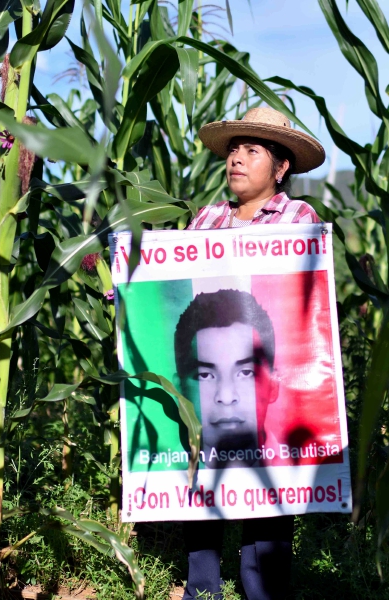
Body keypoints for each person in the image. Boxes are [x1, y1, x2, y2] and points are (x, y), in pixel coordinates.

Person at [182, 107, 325, 600]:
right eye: (234, 150)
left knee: (268, 478)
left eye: (253, 150)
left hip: (262, 366)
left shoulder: (299, 218)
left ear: (281, 167)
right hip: (216, 363)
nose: (237, 159)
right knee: (205, 472)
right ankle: (201, 587)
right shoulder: (205, 218)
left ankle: (261, 587)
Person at [175, 289, 279, 468]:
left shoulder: (311, 469)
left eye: (246, 373)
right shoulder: (159, 475)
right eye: (205, 375)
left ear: (273, 384)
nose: (226, 396)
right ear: (178, 390)